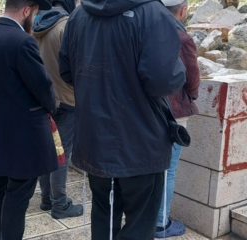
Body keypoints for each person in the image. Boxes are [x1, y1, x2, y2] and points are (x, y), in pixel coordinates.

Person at [58, 0, 186, 239]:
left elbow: (66, 71)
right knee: (141, 223)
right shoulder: (154, 14)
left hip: (94, 137)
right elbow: (164, 80)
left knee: (103, 216)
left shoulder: (78, 15)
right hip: (142, 140)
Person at [0, 0, 58, 239]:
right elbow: (42, 87)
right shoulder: (22, 41)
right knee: (18, 196)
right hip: (22, 134)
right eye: (34, 12)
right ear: (26, 11)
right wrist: (53, 104)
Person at [32, 0, 83, 219]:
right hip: (67, 100)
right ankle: (60, 204)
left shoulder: (35, 27)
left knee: (46, 151)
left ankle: (46, 199)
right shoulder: (67, 26)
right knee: (62, 155)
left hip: (44, 99)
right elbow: (77, 67)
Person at [156, 0, 200, 238]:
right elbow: (192, 79)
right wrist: (190, 97)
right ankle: (161, 223)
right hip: (175, 113)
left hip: (150, 110)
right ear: (183, 10)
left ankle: (149, 217)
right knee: (168, 170)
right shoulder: (183, 39)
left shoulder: (147, 31)